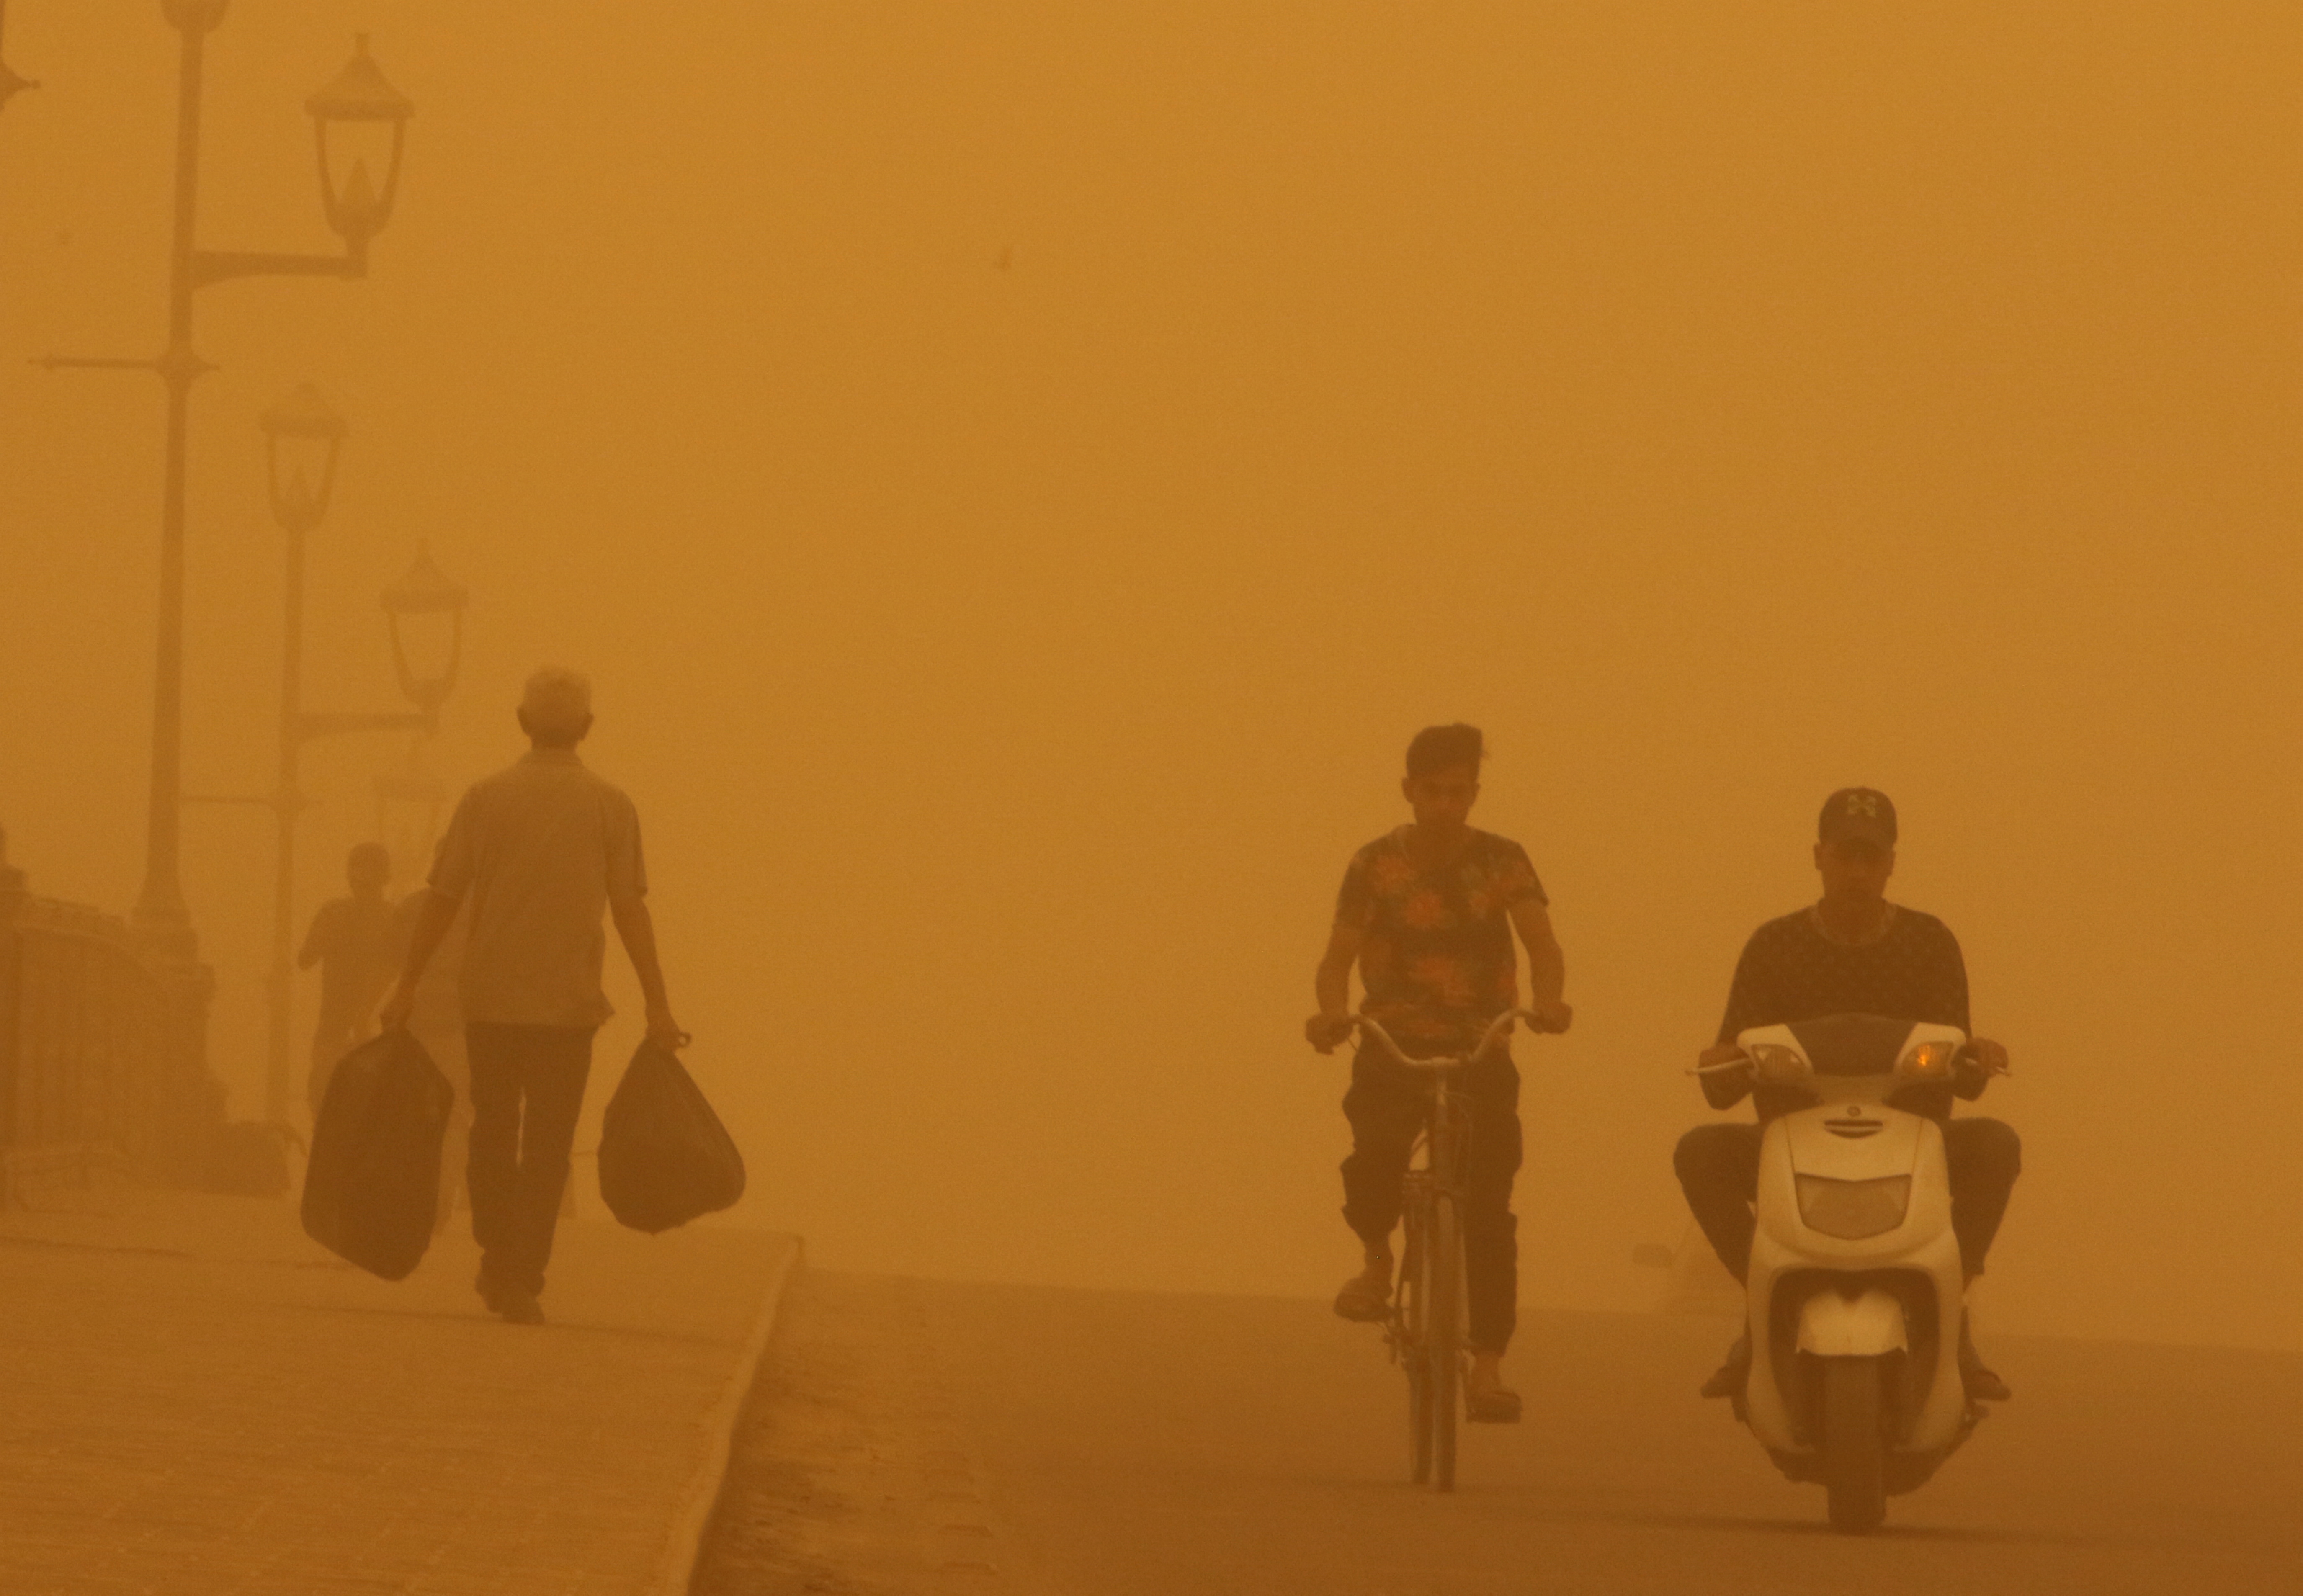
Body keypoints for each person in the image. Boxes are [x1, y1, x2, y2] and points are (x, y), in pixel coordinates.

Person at [1674, 788, 2021, 1403]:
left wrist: (1980, 1055)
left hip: (1914, 1152)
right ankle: (1761, 1308)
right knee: (1699, 1152)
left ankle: (1951, 1308)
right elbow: (1723, 1087)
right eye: (1845, 857)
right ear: (1818, 857)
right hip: (1793, 1151)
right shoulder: (1773, 945)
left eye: (1871, 859)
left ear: (1891, 864)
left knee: (1996, 1144)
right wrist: (1720, 1059)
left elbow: (1961, 1075)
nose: (1857, 873)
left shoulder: (1930, 943)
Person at [379, 667, 683, 1326]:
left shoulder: (485, 799)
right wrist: (658, 1002)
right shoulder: (612, 805)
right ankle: (522, 1271)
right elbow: (630, 908)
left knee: (493, 1127)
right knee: (549, 1143)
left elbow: (443, 897)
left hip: (490, 997)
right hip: (569, 1006)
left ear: (522, 723)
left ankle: (498, 1254)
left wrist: (406, 983)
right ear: (588, 728)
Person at [1304, 723, 1573, 1424]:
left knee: (1488, 1204)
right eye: (1434, 792)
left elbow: (1542, 942)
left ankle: (1487, 1365)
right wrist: (1333, 1015)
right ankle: (1374, 1259)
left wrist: (1548, 1002)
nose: (1448, 806)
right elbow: (1337, 959)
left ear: (1475, 794)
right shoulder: (1374, 865)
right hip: (1393, 1047)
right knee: (1377, 1153)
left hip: (1482, 1049)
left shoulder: (1504, 860)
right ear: (1409, 792)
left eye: (1461, 793)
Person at [299, 842, 398, 1118]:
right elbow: (305, 958)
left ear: (382, 879)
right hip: (337, 1027)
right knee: (327, 1103)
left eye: (368, 877)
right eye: (358, 876)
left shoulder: (390, 917)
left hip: (371, 1029)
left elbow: (400, 971)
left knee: (369, 1111)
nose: (361, 884)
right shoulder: (336, 913)